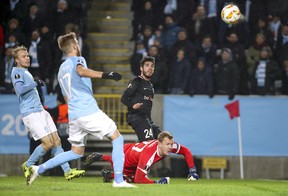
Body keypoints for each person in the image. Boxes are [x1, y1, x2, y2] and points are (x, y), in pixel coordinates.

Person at [27, 32, 136, 188]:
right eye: (76, 43)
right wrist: (106, 75)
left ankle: (39, 169)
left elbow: (65, 97)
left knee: (76, 152)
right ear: (73, 46)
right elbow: (81, 71)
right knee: (117, 138)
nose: (78, 45)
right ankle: (118, 180)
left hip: (74, 115)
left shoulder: (61, 69)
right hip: (87, 110)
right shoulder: (78, 60)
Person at [10, 46, 84, 184]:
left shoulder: (25, 72)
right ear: (16, 60)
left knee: (57, 141)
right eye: (23, 56)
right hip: (31, 113)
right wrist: (34, 83)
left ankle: (67, 171)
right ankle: (28, 164)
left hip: (40, 111)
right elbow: (20, 90)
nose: (27, 58)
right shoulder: (17, 72)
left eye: (27, 55)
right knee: (48, 143)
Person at [85, 131, 199, 184]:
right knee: (131, 178)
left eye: (171, 144)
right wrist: (157, 182)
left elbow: (186, 151)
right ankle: (109, 174)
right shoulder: (149, 155)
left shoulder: (165, 146)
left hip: (129, 149)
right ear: (159, 144)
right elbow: (139, 179)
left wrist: (192, 170)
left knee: (133, 174)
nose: (170, 147)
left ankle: (102, 160)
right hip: (127, 160)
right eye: (167, 144)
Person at [121, 56, 162, 142]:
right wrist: (132, 105)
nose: (150, 68)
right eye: (147, 65)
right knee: (148, 142)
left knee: (162, 139)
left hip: (147, 119)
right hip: (136, 116)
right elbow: (123, 98)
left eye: (152, 66)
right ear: (141, 68)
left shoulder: (150, 86)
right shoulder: (136, 81)